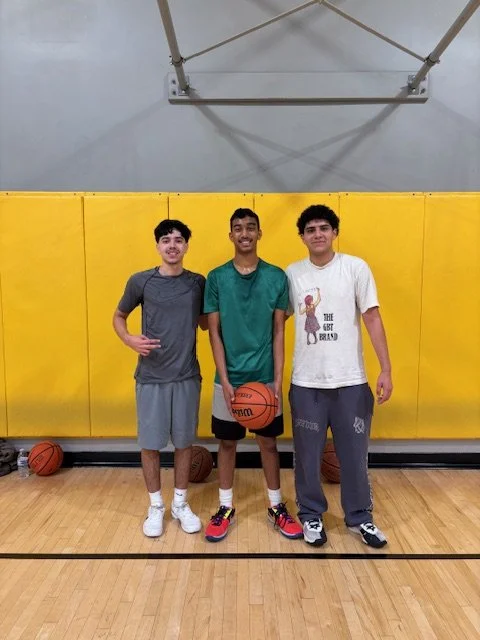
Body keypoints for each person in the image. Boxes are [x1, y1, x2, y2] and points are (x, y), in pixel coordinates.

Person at [286, 204, 393, 548]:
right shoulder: (292, 274)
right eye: (310, 229)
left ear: (334, 232)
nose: (317, 234)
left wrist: (386, 368)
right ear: (302, 237)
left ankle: (360, 517)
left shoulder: (355, 268)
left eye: (324, 228)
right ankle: (311, 515)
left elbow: (372, 317)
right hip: (307, 384)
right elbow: (275, 322)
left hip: (351, 382)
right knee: (306, 457)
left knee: (354, 456)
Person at [203, 208, 303, 542]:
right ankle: (225, 507)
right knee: (227, 443)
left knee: (268, 444)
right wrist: (225, 380)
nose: (244, 233)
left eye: (250, 227)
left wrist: (277, 379)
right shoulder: (216, 278)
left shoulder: (276, 277)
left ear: (259, 233)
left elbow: (279, 331)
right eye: (238, 228)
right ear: (230, 235)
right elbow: (213, 333)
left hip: (264, 379)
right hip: (228, 379)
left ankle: (276, 506)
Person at [113, 219, 207, 538]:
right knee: (151, 445)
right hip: (151, 376)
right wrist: (129, 339)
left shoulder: (197, 283)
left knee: (184, 443)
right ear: (157, 246)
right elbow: (119, 316)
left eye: (178, 240)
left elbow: (207, 323)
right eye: (166, 240)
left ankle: (180, 503)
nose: (172, 245)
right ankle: (156, 506)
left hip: (186, 375)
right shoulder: (141, 281)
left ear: (186, 246)